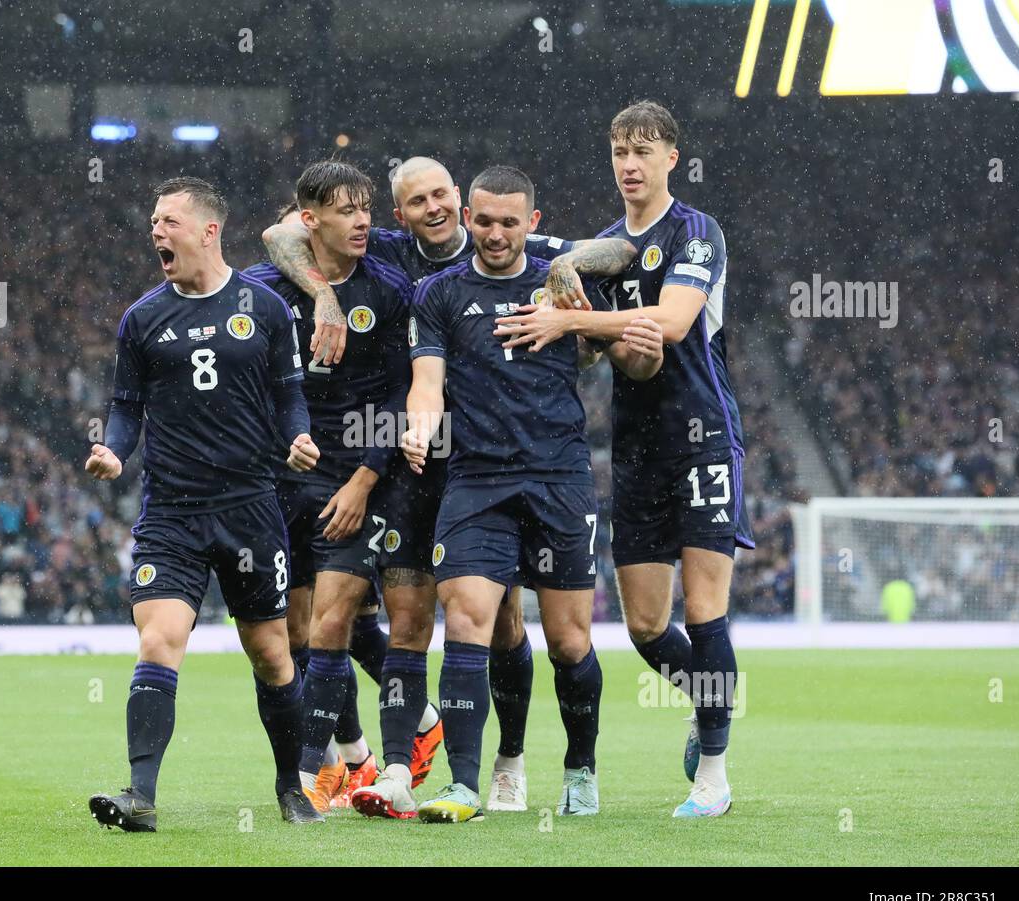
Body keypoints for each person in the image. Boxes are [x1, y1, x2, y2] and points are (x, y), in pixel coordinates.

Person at [263, 156, 628, 812]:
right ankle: (386, 769)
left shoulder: (534, 252)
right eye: (417, 201)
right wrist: (323, 294)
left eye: (439, 195)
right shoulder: (395, 258)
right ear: (401, 215)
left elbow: (620, 249)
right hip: (430, 465)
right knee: (401, 618)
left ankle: (513, 760)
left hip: (528, 464)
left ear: (459, 198)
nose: (432, 208)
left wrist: (571, 273)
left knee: (518, 627)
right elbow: (283, 234)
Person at [497, 101, 752, 817]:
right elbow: (599, 354)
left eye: (643, 151)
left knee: (705, 610)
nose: (630, 165)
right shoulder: (604, 248)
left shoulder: (695, 232)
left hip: (702, 435)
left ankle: (713, 775)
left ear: (672, 158)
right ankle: (711, 701)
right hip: (636, 447)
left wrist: (572, 318)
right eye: (619, 151)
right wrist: (577, 328)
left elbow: (670, 323)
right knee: (644, 626)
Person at [392, 165, 663, 823]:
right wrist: (419, 425)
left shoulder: (558, 277)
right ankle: (463, 784)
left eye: (509, 223)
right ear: (468, 217)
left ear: (532, 223)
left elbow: (624, 250)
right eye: (483, 220)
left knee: (569, 640)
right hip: (476, 481)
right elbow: (426, 381)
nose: (494, 234)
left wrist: (568, 283)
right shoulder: (438, 293)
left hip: (558, 478)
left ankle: (580, 767)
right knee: (467, 620)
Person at [85, 176, 323, 828]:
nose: (156, 231)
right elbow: (126, 409)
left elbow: (289, 395)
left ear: (208, 230)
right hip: (172, 512)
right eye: (153, 221)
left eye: (169, 220)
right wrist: (114, 452)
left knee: (272, 653)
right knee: (158, 641)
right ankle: (140, 796)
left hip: (250, 507)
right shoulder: (142, 318)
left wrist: (298, 436)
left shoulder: (265, 309)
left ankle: (291, 788)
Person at [244, 160, 431, 814]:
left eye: (365, 209)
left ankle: (310, 772)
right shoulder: (261, 291)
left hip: (359, 472)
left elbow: (402, 392)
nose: (361, 222)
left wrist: (363, 479)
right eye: (346, 211)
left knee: (333, 621)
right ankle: (352, 759)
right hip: (281, 474)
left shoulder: (389, 285)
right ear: (309, 219)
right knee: (292, 632)